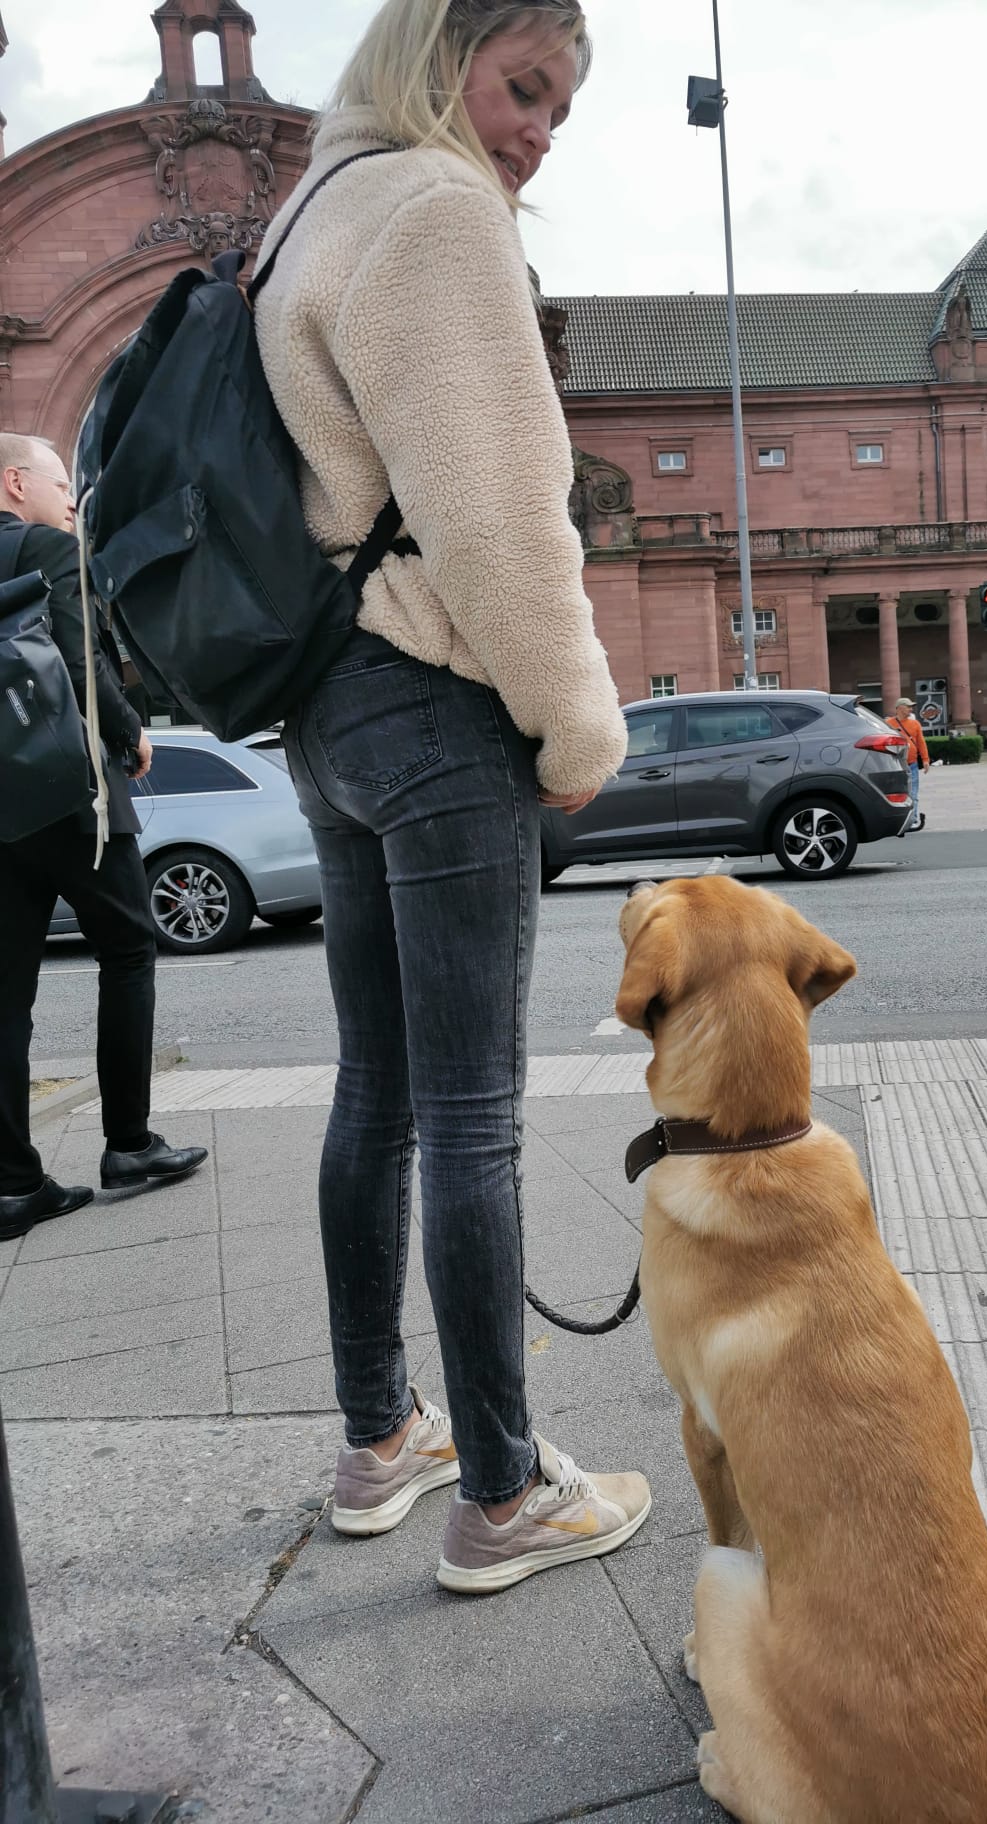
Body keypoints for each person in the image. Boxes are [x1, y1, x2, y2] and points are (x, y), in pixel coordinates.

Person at [254, 0, 649, 1592]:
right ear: (441, 53)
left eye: (561, 105)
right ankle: (501, 1493)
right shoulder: (433, 210)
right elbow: (499, 525)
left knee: (382, 1095)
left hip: (328, 706)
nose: (539, 129)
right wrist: (581, 738)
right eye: (523, 83)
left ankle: (380, 1438)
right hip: (434, 696)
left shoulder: (306, 215)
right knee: (473, 1116)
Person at [0, 434, 208, 1244]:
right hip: (67, 789)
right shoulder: (47, 548)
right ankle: (129, 1145)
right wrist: (131, 732)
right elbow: (75, 655)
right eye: (59, 483)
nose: (69, 500)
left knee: (5, 994)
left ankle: (14, 1185)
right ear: (15, 483)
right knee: (126, 950)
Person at [887, 696, 930, 828]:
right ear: (899, 708)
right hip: (895, 765)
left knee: (913, 793)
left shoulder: (915, 724)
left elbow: (921, 742)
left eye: (911, 707)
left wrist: (925, 760)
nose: (911, 709)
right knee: (896, 793)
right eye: (908, 706)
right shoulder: (888, 724)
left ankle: (912, 819)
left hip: (912, 763)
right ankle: (898, 819)